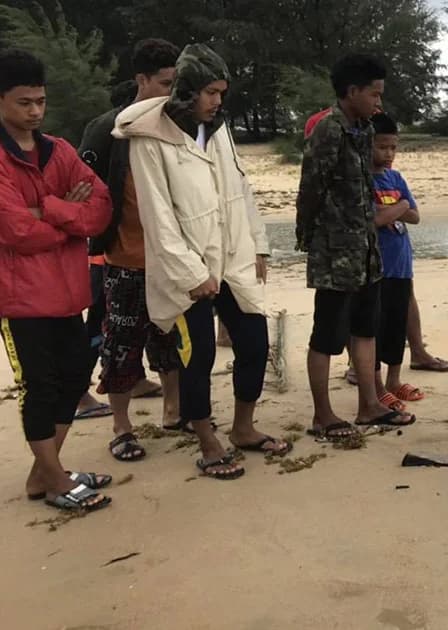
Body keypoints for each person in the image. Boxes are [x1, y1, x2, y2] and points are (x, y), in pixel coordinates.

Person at [116, 43, 289, 481]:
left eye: (222, 92)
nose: (217, 101)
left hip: (232, 258)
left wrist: (258, 245)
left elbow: (240, 189)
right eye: (210, 92)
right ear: (188, 89)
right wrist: (193, 274)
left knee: (253, 342)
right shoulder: (150, 138)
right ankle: (207, 440)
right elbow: (158, 217)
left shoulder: (219, 129)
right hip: (186, 272)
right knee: (199, 356)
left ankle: (244, 428)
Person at [0, 49, 114, 511]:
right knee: (41, 387)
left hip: (69, 293)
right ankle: (56, 480)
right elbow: (14, 230)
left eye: (40, 101)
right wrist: (68, 213)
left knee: (72, 381)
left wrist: (48, 207)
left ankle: (44, 475)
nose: (34, 111)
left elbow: (100, 209)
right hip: (21, 299)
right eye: (24, 102)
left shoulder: (60, 151)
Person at [77, 38, 183, 463]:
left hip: (171, 261)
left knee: (171, 340)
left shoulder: (176, 125)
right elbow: (84, 189)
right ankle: (121, 428)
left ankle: (174, 413)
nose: (170, 93)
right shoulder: (108, 129)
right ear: (140, 79)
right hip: (122, 259)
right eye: (164, 83)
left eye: (175, 84)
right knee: (120, 343)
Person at [297, 53, 404, 439]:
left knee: (366, 328)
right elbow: (311, 188)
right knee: (326, 334)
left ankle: (369, 405)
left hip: (366, 249)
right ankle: (323, 415)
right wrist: (308, 239)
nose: (379, 102)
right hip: (335, 253)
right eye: (374, 94)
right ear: (352, 91)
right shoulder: (328, 130)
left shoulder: (363, 130)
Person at [365, 112, 422, 417]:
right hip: (377, 267)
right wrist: (400, 206)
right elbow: (378, 218)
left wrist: (399, 210)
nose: (388, 154)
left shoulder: (396, 178)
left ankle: (394, 379)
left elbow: (416, 215)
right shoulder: (364, 179)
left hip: (401, 264)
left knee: (397, 324)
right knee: (375, 326)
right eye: (382, 146)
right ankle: (376, 387)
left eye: (393, 148)